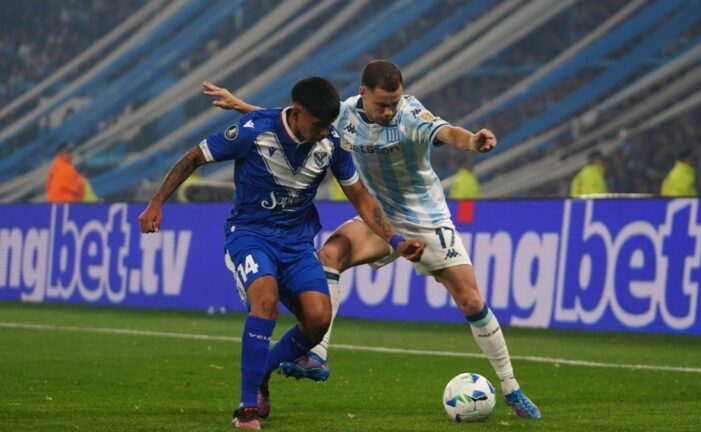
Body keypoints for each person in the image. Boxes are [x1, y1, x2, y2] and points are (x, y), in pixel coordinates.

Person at [203, 60, 542, 419]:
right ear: (362, 92)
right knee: (329, 255)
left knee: (471, 301)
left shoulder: (411, 116)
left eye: (394, 102)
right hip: (378, 217)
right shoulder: (344, 114)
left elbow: (447, 133)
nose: (389, 110)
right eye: (382, 104)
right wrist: (241, 106)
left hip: (427, 219)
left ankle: (511, 388)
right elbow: (296, 120)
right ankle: (317, 354)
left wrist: (472, 141)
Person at [139, 76, 424, 430]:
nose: (324, 132)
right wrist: (156, 203)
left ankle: (262, 374)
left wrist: (396, 241)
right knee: (266, 300)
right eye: (319, 125)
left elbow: (362, 199)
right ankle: (246, 407)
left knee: (318, 320)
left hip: (296, 244)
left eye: (328, 125)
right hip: (251, 236)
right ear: (298, 113)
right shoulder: (253, 131)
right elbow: (194, 157)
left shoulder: (331, 142)